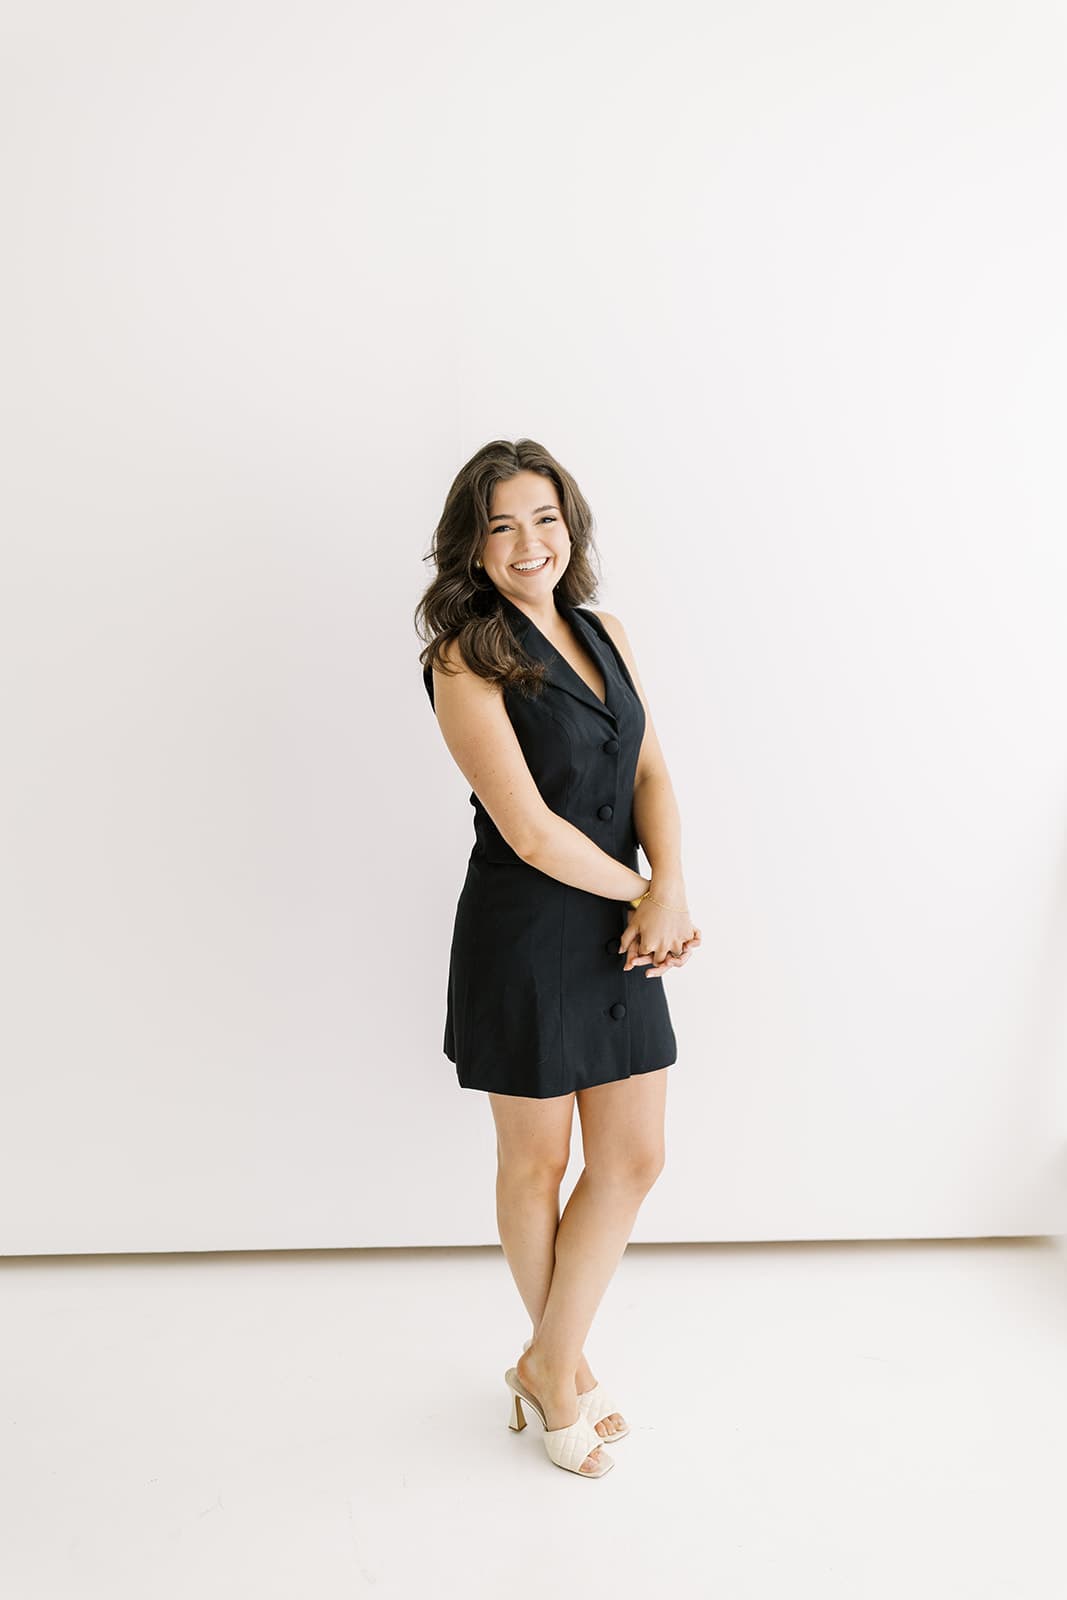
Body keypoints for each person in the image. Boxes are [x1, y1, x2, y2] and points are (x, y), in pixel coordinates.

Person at [417, 438, 700, 1478]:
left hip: (622, 924)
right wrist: (644, 893)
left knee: (631, 1159)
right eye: (500, 525)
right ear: (473, 547)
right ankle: (562, 1374)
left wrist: (665, 883)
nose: (527, 541)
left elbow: (651, 774)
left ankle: (544, 1363)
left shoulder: (604, 632)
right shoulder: (464, 657)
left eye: (543, 517)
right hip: (527, 933)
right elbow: (529, 829)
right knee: (535, 1164)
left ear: (568, 526)